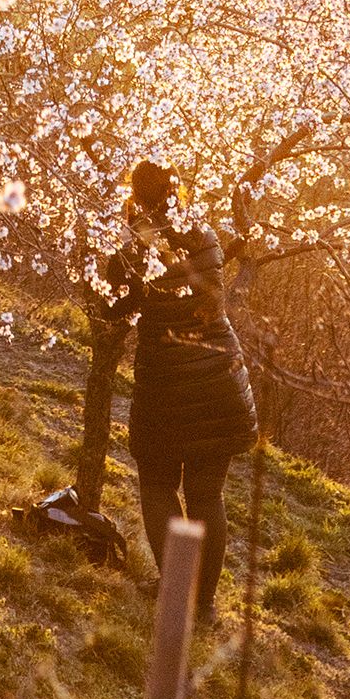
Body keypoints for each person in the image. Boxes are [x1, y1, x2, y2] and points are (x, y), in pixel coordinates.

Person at [109, 159, 257, 627]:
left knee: (156, 484)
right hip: (221, 378)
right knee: (206, 495)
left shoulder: (138, 247)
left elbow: (114, 303)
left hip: (168, 387)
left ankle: (175, 591)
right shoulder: (205, 233)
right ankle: (205, 605)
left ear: (136, 196)